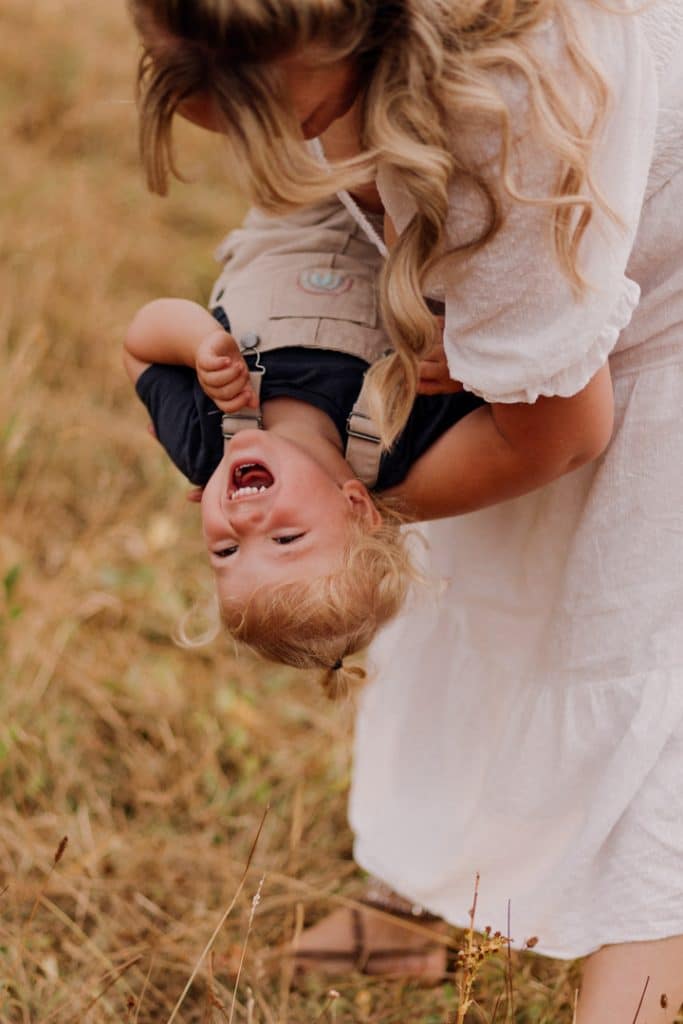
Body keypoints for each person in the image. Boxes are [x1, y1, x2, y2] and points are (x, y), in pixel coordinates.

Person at [126, 0, 683, 1017]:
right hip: (500, 285)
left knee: (631, 640)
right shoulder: (355, 448)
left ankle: (635, 986)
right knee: (467, 609)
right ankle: (420, 905)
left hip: (659, 289)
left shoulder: (512, 110)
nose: (243, 522)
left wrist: (362, 502)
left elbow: (556, 431)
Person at [123, 200, 481, 697]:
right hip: (414, 224)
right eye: (285, 539)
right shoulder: (397, 437)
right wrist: (463, 364)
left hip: (296, 203)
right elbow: (492, 398)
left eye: (225, 550)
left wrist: (198, 342)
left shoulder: (202, 442)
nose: (245, 525)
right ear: (356, 506)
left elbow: (139, 342)